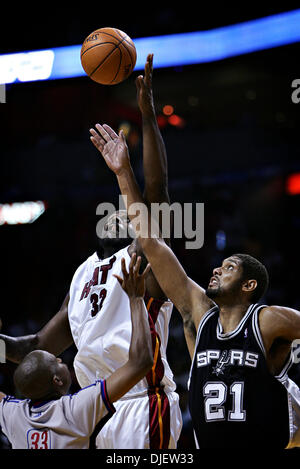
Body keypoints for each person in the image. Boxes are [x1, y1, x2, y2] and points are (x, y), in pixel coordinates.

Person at [0, 54, 182, 449]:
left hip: (141, 402)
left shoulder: (140, 258)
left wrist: (147, 118)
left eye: (126, 213)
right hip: (95, 410)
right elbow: (34, 348)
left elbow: (158, 192)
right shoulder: (83, 274)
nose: (118, 214)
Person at [93, 122, 300, 449]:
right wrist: (122, 173)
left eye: (230, 267)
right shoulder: (198, 315)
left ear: (249, 285)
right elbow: (151, 242)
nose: (218, 268)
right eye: (221, 263)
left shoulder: (267, 320)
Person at [0, 254, 153, 449]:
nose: (60, 358)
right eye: (57, 362)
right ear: (57, 380)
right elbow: (141, 362)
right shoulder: (74, 410)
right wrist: (136, 298)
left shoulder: (13, 416)